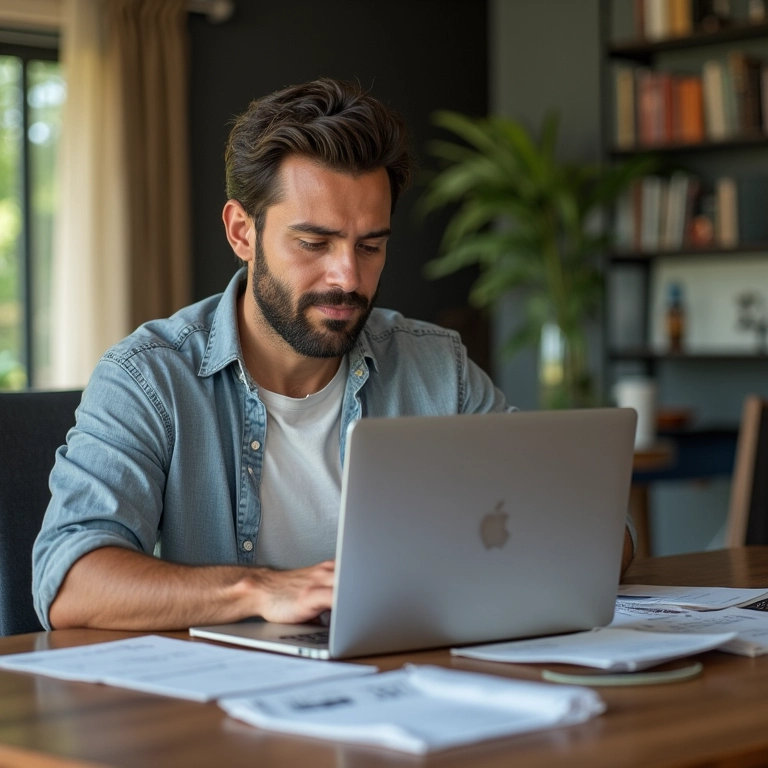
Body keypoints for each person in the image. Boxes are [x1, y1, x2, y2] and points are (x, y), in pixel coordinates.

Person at [33, 78, 634, 632]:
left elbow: (602, 536)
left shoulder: (435, 368)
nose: (348, 276)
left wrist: (585, 537)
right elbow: (69, 582)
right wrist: (262, 590)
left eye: (370, 246)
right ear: (242, 231)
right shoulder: (149, 377)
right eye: (314, 242)